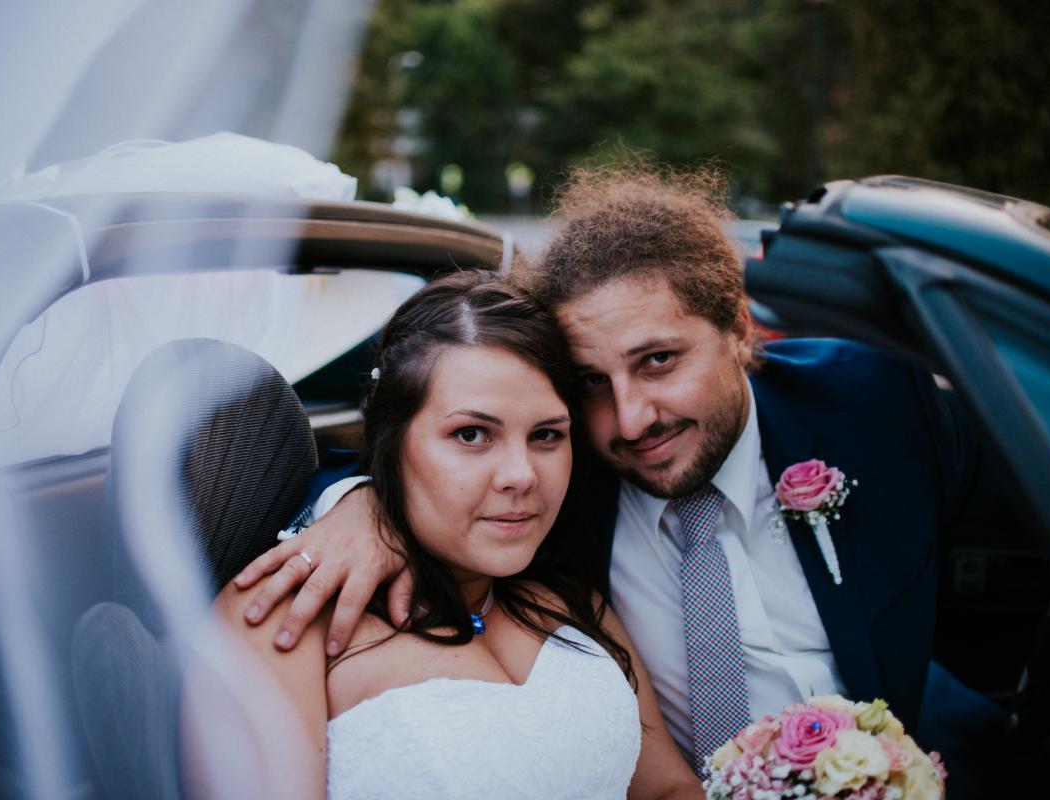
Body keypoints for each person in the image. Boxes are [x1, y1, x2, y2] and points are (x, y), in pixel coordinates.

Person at [234, 167, 1000, 781]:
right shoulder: (555, 476)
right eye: (592, 382)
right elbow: (417, 439)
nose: (631, 421)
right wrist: (361, 503)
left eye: (658, 361)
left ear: (739, 327)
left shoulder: (874, 405)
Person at [185, 270, 703, 798]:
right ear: (390, 444)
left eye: (546, 435)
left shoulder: (573, 602)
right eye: (472, 434)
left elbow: (668, 790)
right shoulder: (283, 619)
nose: (522, 475)